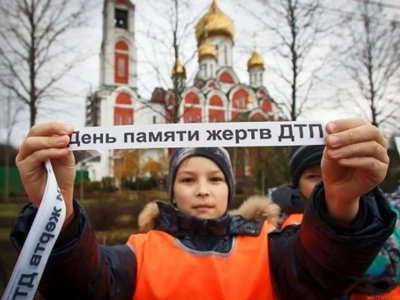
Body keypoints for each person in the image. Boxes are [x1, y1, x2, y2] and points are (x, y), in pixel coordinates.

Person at [10, 118, 396, 299]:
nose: (203, 190)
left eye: (215, 179)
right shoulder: (137, 253)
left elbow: (320, 273)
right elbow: (85, 285)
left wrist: (343, 201)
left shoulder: (274, 246)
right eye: (188, 179)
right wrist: (54, 209)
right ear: (172, 190)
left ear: (230, 190)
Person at [272, 144, 400, 299]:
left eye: (339, 172)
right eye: (313, 176)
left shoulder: (381, 216)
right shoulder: (275, 226)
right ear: (297, 183)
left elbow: (389, 270)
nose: (327, 182)